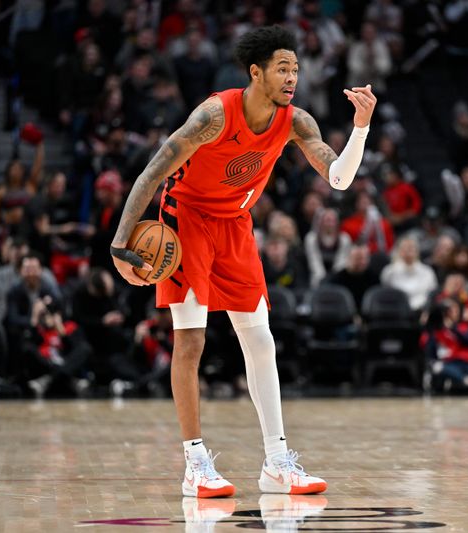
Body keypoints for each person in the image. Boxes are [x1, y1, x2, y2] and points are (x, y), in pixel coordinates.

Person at [110, 26, 376, 498]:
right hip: (186, 219)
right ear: (256, 72)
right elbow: (154, 170)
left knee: (261, 341)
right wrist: (120, 241)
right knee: (191, 342)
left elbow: (338, 179)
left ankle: (277, 463)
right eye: (282, 68)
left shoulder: (297, 122)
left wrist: (361, 127)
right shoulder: (213, 115)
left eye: (295, 68)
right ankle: (194, 464)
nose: (293, 76)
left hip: (235, 224)